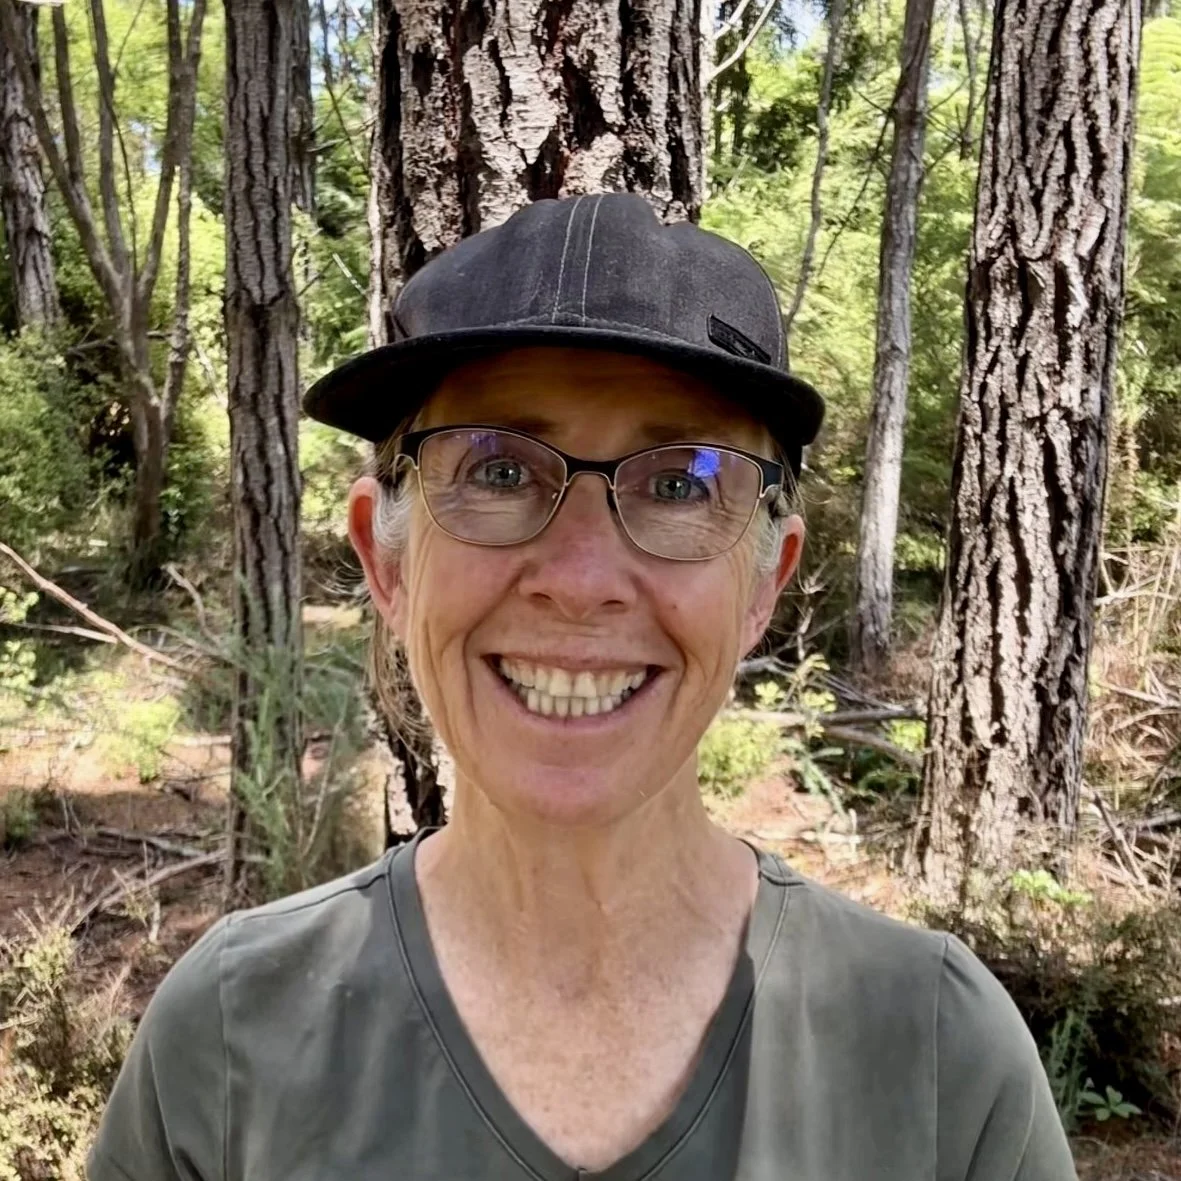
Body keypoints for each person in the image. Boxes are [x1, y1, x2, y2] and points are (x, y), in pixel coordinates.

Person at [88, 193, 1076, 1181]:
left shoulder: (941, 1063)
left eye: (680, 481)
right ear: (385, 564)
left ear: (762, 586)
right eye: (497, 469)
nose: (579, 578)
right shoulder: (226, 1039)